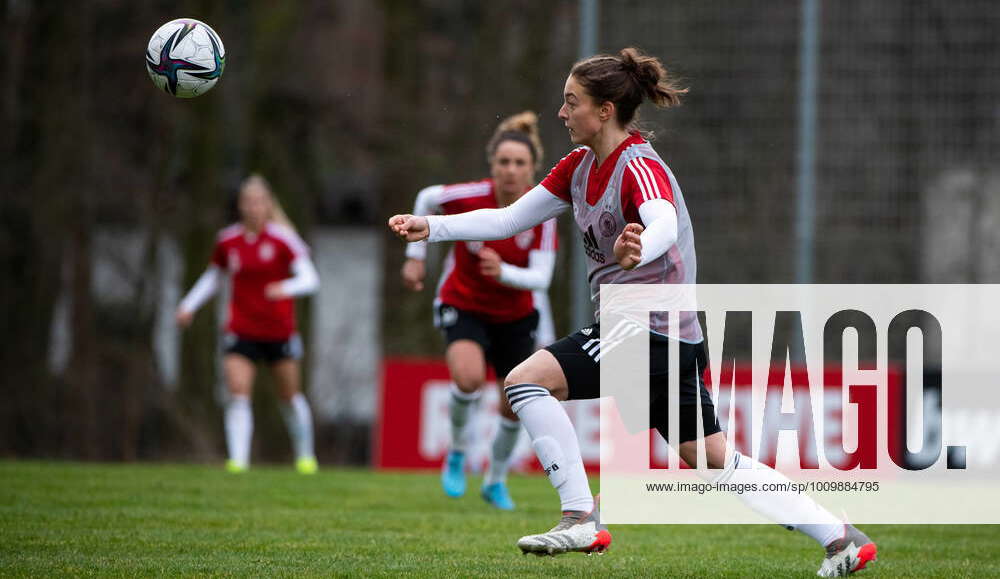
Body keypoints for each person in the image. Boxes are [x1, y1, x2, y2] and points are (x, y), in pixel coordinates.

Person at [389, 48, 878, 576]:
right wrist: (433, 228)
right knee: (715, 460)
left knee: (526, 382)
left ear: (604, 111)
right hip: (671, 335)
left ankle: (579, 515)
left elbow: (662, 220)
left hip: (648, 328)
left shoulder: (638, 166)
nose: (561, 112)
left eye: (571, 102)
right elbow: (510, 219)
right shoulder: (578, 167)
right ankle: (841, 538)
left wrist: (639, 249)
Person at [401, 111, 557, 510]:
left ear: (532, 168)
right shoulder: (469, 198)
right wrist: (415, 256)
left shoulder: (542, 210)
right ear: (492, 165)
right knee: (468, 379)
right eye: (503, 162)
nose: (510, 170)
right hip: (463, 303)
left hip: (516, 315)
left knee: (515, 401)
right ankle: (457, 452)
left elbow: (541, 278)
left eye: (519, 163)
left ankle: (496, 479)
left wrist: (503, 272)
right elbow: (426, 199)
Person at [177, 174, 320, 475]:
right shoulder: (228, 240)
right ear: (241, 206)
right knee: (238, 391)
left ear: (268, 205)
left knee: (289, 396)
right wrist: (189, 305)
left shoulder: (283, 238)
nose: (253, 208)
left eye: (259, 202)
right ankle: (239, 462)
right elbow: (214, 276)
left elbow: (310, 280)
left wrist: (285, 288)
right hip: (241, 328)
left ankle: (306, 457)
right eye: (248, 202)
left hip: (279, 329)